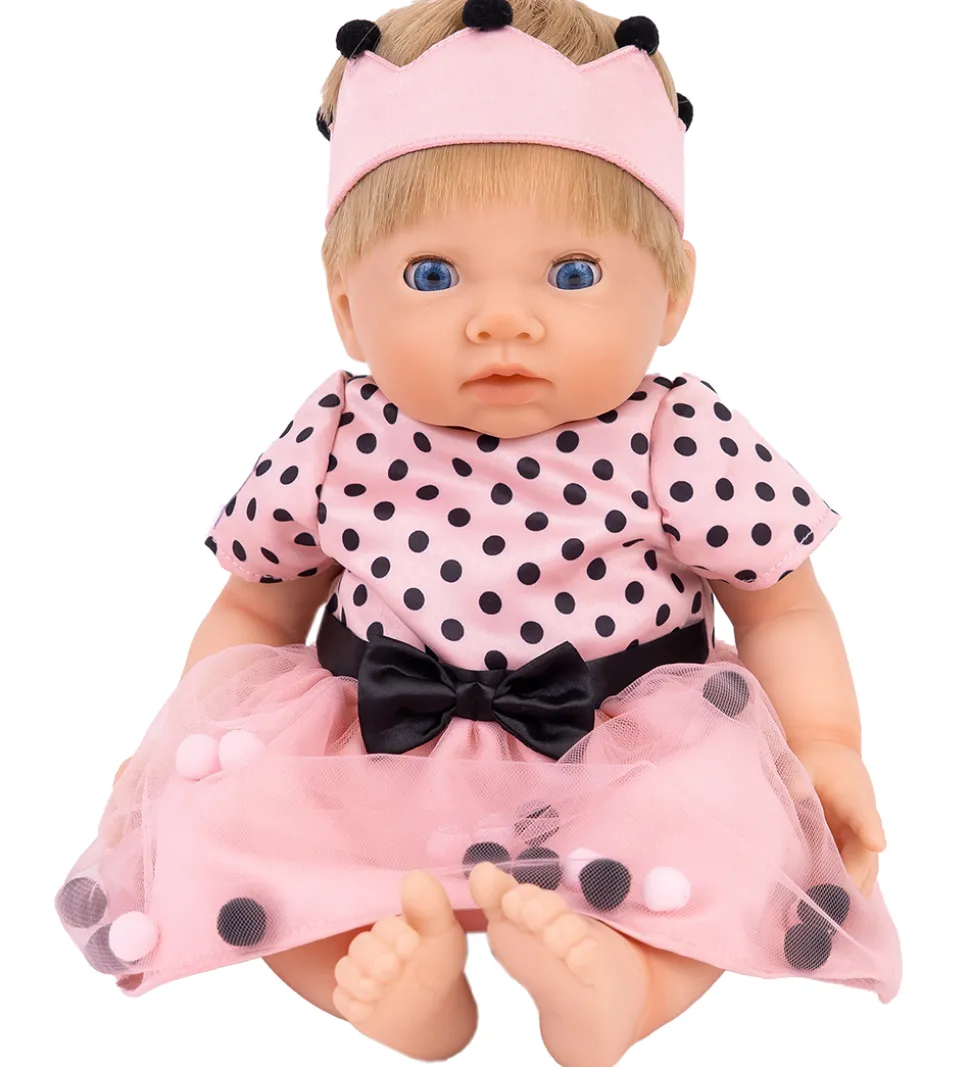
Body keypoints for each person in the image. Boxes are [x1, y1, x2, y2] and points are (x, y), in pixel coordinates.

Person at [55, 3, 901, 1064]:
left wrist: (825, 742)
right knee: (241, 829)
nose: (503, 318)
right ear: (346, 305)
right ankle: (388, 979)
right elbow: (254, 610)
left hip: (619, 754)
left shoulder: (677, 435)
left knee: (724, 829)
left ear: (673, 292)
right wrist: (176, 742)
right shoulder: (334, 433)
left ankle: (625, 987)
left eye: (573, 272)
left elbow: (781, 606)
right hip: (373, 753)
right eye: (433, 275)